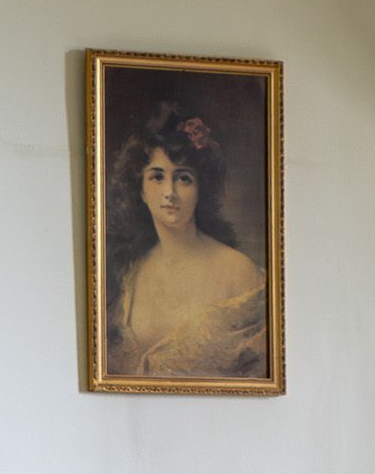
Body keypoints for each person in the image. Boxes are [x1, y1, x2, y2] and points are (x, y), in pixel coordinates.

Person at [105, 102, 267, 380]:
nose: (169, 192)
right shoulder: (133, 272)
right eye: (157, 177)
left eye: (183, 178)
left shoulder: (238, 272)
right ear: (141, 190)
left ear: (200, 188)